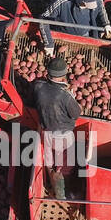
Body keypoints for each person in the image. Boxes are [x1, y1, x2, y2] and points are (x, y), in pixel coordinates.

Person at [32, 55, 81, 199]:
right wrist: (72, 96)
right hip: (64, 135)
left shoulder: (38, 86)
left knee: (49, 160)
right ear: (63, 76)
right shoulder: (65, 96)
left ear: (48, 72)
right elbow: (76, 113)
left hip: (47, 133)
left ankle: (51, 184)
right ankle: (62, 194)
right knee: (66, 165)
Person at [38, 0, 111, 57]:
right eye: (85, 5)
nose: (88, 8)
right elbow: (43, 18)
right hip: (62, 35)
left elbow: (101, 10)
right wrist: (48, 43)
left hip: (85, 35)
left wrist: (106, 24)